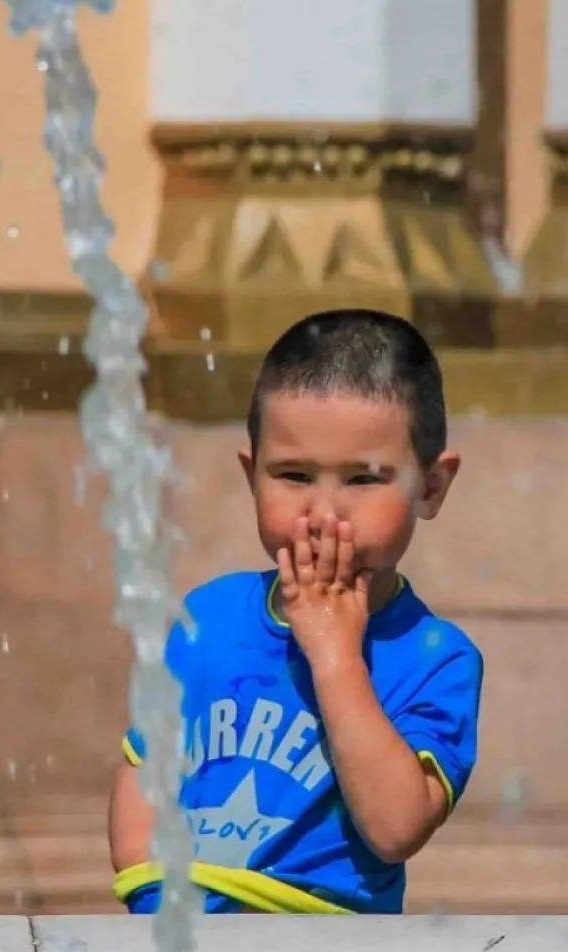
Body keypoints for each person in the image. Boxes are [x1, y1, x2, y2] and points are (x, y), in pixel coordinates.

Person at [108, 308, 484, 915]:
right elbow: (143, 766)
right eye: (292, 475)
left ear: (431, 488)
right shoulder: (206, 620)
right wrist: (148, 889)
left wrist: (336, 658)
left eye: (363, 480)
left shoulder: (435, 659)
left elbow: (395, 830)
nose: (322, 513)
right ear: (250, 474)